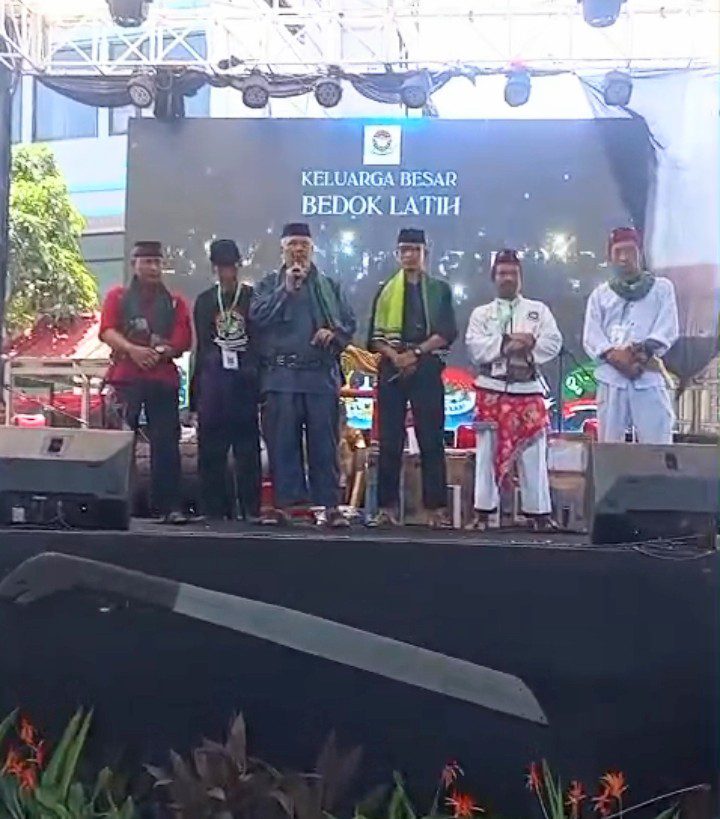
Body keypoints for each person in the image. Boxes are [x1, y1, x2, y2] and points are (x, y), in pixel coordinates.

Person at [249, 223, 356, 527]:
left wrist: (333, 333)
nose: (298, 250)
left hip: (320, 377)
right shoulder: (268, 285)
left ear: (312, 249)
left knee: (325, 445)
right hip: (281, 376)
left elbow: (348, 324)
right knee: (283, 444)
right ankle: (287, 506)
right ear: (282, 250)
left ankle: (330, 506)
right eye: (292, 244)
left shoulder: (329, 287)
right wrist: (286, 289)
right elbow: (257, 318)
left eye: (304, 244)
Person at [465, 249, 562, 531]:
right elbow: (475, 347)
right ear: (493, 277)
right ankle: (483, 512)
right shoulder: (481, 314)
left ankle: (539, 513)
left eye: (513, 273)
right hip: (492, 389)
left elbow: (552, 342)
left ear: (521, 277)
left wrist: (529, 344)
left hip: (528, 388)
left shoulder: (538, 310)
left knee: (533, 453)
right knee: (487, 453)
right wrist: (507, 343)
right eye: (502, 273)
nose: (507, 278)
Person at [368, 227, 458, 528]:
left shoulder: (439, 290)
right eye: (404, 250)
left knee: (431, 439)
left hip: (426, 365)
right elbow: (374, 338)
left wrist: (415, 353)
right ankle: (387, 508)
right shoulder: (385, 291)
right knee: (389, 440)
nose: (409, 255)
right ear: (397, 254)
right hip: (392, 366)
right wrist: (396, 357)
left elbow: (446, 332)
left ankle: (436, 510)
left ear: (424, 254)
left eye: (415, 250)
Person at [100, 241, 192, 524]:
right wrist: (132, 350)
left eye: (157, 262)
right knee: (120, 443)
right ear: (134, 265)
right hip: (126, 378)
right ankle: (117, 502)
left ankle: (168, 506)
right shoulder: (117, 296)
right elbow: (107, 330)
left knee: (166, 443)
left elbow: (182, 340)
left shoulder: (175, 301)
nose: (153, 268)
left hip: (162, 379)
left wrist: (158, 352)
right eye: (147, 262)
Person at [583, 227, 679, 444]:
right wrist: (614, 356)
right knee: (610, 444)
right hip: (612, 378)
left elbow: (668, 326)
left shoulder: (662, 289)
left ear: (640, 253)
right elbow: (592, 335)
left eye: (629, 251)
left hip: (647, 374)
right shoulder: (600, 295)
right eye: (618, 252)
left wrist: (643, 350)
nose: (624, 258)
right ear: (610, 258)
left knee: (657, 443)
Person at [191, 239, 261, 521]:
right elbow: (201, 347)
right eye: (220, 267)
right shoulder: (205, 301)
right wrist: (195, 396)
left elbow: (260, 342)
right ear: (214, 269)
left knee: (247, 450)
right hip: (214, 386)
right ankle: (212, 511)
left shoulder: (253, 298)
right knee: (210, 450)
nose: (225, 272)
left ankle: (251, 509)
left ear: (238, 267)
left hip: (245, 383)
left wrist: (259, 384)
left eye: (229, 267)